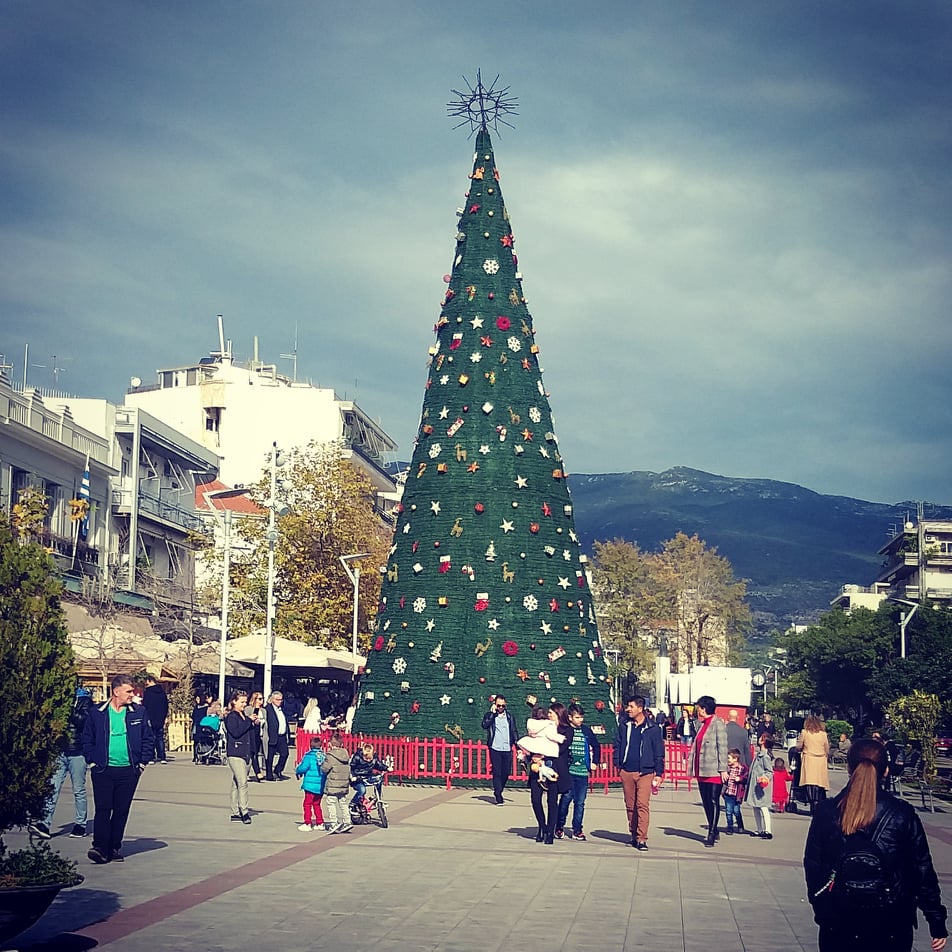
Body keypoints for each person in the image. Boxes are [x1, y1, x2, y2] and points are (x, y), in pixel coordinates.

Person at [804, 738, 948, 951]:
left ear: (849, 769)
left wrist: (822, 909)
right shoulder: (902, 814)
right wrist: (936, 920)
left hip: (838, 920)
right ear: (886, 771)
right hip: (891, 922)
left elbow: (813, 866)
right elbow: (921, 869)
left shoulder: (826, 811)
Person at [82, 674, 154, 864]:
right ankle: (99, 847)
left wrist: (141, 764)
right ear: (116, 691)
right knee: (103, 808)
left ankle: (113, 847)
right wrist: (92, 762)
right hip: (103, 769)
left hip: (129, 770)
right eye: (129, 691)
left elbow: (148, 738)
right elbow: (87, 739)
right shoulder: (97, 712)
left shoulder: (139, 712)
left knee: (121, 810)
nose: (132, 694)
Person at [31, 685, 92, 839]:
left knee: (78, 789)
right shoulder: (58, 699)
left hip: (77, 752)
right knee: (52, 787)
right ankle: (44, 823)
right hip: (60, 751)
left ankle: (80, 824)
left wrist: (70, 710)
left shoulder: (85, 701)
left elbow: (83, 722)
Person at [613, 695, 665, 851]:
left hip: (645, 772)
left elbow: (659, 752)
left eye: (631, 706)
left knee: (642, 804)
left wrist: (659, 773)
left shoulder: (653, 729)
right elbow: (618, 745)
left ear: (640, 708)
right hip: (627, 771)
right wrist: (618, 764)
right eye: (627, 707)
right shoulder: (624, 726)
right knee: (630, 805)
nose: (628, 709)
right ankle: (633, 834)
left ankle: (642, 838)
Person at [517, 705, 565, 844]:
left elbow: (563, 746)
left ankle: (550, 831)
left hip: (552, 765)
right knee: (535, 799)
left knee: (552, 801)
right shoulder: (546, 726)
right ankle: (542, 826)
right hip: (537, 766)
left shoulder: (563, 728)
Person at [686, 695, 728, 847]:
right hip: (701, 769)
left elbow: (723, 747)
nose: (697, 711)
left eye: (699, 708)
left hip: (714, 769)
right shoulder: (701, 724)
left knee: (713, 800)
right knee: (706, 802)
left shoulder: (718, 724)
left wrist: (723, 769)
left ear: (704, 708)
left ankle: (711, 832)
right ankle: (713, 827)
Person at [556, 703, 601, 841]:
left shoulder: (586, 731)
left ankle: (577, 829)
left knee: (580, 802)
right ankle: (559, 826)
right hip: (568, 772)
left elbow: (596, 746)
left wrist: (594, 762)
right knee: (565, 800)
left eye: (582, 717)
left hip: (582, 773)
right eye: (577, 717)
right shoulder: (566, 730)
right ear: (570, 717)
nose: (580, 720)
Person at [224, 691, 255, 825]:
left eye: (245, 701)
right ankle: (244, 811)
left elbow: (247, 731)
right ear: (234, 702)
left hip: (246, 752)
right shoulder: (231, 716)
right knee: (243, 782)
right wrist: (248, 721)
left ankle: (234, 811)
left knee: (237, 783)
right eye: (241, 702)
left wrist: (253, 723)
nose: (244, 704)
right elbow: (236, 732)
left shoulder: (243, 715)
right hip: (235, 752)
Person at [481, 694, 519, 804]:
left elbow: (514, 731)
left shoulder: (509, 716)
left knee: (506, 772)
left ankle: (499, 789)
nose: (501, 708)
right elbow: (484, 725)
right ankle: (498, 794)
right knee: (497, 771)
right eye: (499, 706)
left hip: (507, 747)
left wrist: (517, 745)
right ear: (495, 705)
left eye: (503, 706)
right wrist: (492, 714)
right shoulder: (490, 715)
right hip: (495, 747)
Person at [796, 715, 830, 814]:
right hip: (820, 760)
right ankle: (818, 802)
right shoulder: (823, 734)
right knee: (819, 783)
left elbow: (799, 746)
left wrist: (798, 749)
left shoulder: (805, 733)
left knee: (810, 782)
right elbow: (826, 748)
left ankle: (812, 803)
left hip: (809, 758)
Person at [320, 732, 353, 834]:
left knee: (331, 803)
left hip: (333, 784)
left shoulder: (330, 756)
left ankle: (334, 823)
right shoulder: (346, 755)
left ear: (330, 744)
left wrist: (321, 765)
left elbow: (324, 769)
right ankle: (347, 821)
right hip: (343, 784)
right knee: (343, 803)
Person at [745, 733, 774, 839]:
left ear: (764, 742)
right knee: (756, 807)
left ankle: (768, 830)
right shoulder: (759, 754)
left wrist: (764, 778)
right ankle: (759, 829)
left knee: (763, 807)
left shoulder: (765, 756)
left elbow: (769, 772)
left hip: (761, 787)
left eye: (761, 738)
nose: (758, 739)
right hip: (755, 786)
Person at [295, 736, 327, 831]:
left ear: (310, 745)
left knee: (307, 804)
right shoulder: (324, 756)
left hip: (310, 785)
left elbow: (303, 768)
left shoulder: (308, 756)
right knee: (317, 804)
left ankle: (307, 822)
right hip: (320, 785)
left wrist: (297, 771)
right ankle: (320, 822)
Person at [349, 743, 390, 814]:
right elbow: (351, 768)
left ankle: (378, 798)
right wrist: (353, 776)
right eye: (366, 758)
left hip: (368, 776)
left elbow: (379, 764)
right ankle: (353, 803)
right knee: (362, 790)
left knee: (379, 780)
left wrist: (387, 768)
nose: (368, 760)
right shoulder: (357, 757)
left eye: (370, 758)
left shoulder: (374, 758)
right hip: (358, 779)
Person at [141, 675, 169, 764]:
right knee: (160, 738)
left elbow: (145, 706)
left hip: (150, 718)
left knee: (151, 738)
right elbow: (166, 706)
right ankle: (162, 757)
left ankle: (151, 757)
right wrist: (165, 717)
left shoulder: (148, 692)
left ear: (150, 681)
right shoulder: (162, 692)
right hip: (160, 718)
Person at [264, 691, 290, 781]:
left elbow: (284, 722)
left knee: (285, 754)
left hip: (282, 736)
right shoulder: (267, 709)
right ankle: (269, 774)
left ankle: (278, 770)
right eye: (277, 699)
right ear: (272, 699)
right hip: (272, 736)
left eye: (281, 699)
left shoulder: (281, 709)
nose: (280, 701)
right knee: (270, 756)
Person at [722, 748, 748, 835]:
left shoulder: (742, 769)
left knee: (736, 811)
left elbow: (746, 779)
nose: (727, 760)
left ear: (735, 759)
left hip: (736, 794)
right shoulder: (727, 769)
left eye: (729, 758)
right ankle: (730, 827)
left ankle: (740, 826)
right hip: (728, 793)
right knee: (728, 811)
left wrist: (740, 778)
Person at [248, 691, 266, 780]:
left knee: (255, 754)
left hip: (260, 734)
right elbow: (246, 720)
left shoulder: (263, 711)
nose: (261, 701)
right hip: (252, 733)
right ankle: (258, 772)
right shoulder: (249, 709)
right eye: (259, 699)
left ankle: (246, 772)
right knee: (253, 753)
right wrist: (253, 721)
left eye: (262, 699)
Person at [190, 692, 210, 763]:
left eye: (198, 698)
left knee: (203, 741)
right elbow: (193, 716)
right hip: (196, 725)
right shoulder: (196, 707)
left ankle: (204, 756)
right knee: (196, 742)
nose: (197, 700)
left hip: (202, 726)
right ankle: (195, 756)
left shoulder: (206, 707)